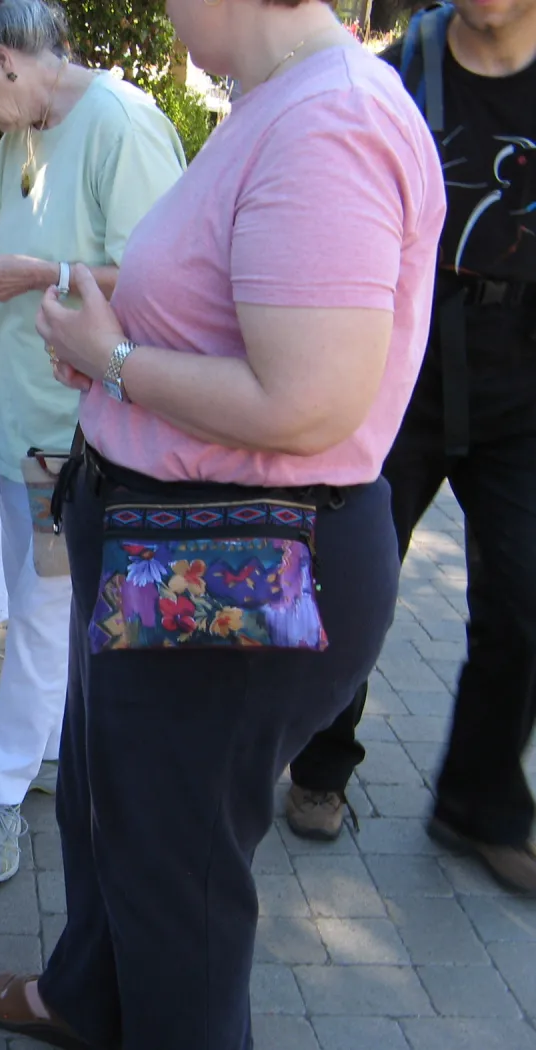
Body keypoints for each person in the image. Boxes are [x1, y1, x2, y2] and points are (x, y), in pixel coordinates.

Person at [0, 0, 446, 1042]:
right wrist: (114, 332)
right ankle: (85, 1001)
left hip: (234, 559)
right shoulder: (274, 103)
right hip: (175, 544)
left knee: (173, 882)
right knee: (114, 820)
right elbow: (226, 310)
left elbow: (304, 402)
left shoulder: (329, 125)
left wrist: (116, 363)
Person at [0, 0, 185, 882]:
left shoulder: (121, 127)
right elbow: (3, 280)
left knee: (38, 615)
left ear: (8, 61)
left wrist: (48, 275)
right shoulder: (18, 139)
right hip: (19, 423)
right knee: (40, 607)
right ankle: (39, 748)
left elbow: (163, 288)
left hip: (80, 435)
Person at [284, 0, 536, 893]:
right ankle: (318, 765)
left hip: (523, 374)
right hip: (408, 362)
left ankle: (483, 801)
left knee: (522, 600)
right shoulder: (399, 71)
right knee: (360, 581)